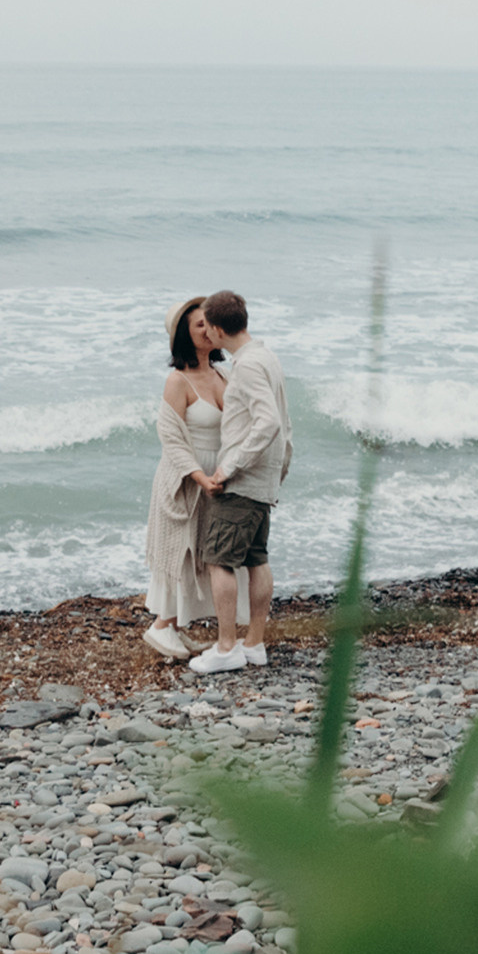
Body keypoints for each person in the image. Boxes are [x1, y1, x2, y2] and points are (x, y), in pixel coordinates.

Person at [188, 289, 289, 675]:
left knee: (219, 561)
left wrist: (229, 468)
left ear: (215, 329)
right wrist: (279, 470)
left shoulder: (245, 367)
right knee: (255, 558)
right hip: (263, 480)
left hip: (245, 480)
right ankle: (255, 644)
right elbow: (285, 425)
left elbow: (269, 422)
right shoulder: (267, 357)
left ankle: (227, 646)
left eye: (206, 327)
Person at [141, 297, 244, 659]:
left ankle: (177, 627)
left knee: (205, 553)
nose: (208, 330)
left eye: (209, 323)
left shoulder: (224, 373)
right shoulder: (177, 380)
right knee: (179, 552)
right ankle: (160, 625)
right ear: (185, 336)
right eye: (199, 325)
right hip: (186, 479)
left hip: (220, 475)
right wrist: (199, 476)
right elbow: (169, 437)